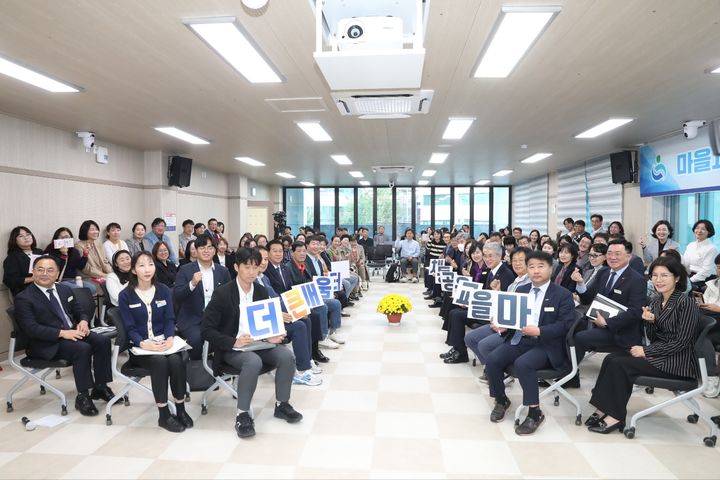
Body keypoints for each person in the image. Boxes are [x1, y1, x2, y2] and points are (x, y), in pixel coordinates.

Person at [586, 256, 699, 434]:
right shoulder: (655, 301)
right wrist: (649, 322)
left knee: (620, 364)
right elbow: (655, 336)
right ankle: (602, 408)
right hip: (660, 355)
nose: (658, 280)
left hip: (677, 361)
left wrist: (645, 350)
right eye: (654, 275)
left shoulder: (686, 303)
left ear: (677, 278)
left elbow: (681, 342)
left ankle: (615, 416)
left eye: (664, 275)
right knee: (611, 358)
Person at [202, 247, 302, 438]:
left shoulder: (262, 291)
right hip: (233, 348)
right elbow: (206, 330)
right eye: (246, 267)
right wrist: (234, 341)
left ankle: (282, 404)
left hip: (259, 344)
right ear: (236, 267)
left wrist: (271, 336)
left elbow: (264, 326)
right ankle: (242, 414)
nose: (251, 272)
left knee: (286, 356)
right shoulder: (223, 294)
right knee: (253, 361)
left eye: (255, 267)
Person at [485, 250, 576, 435]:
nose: (535, 271)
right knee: (493, 359)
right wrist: (502, 325)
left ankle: (535, 412)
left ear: (551, 268)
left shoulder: (562, 294)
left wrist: (540, 331)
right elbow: (514, 318)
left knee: (523, 364)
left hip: (547, 344)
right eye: (531, 267)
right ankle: (501, 400)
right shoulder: (521, 290)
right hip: (521, 339)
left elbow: (565, 325)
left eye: (541, 266)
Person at [14, 255, 114, 416]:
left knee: (102, 341)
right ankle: (83, 396)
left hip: (71, 332)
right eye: (40, 270)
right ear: (33, 272)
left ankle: (100, 386)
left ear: (57, 273)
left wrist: (83, 321)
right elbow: (31, 328)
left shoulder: (64, 289)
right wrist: (62, 333)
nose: (44, 273)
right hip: (45, 343)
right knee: (82, 348)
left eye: (50, 270)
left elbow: (79, 311)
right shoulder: (24, 298)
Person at [118, 251, 192, 433]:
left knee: (175, 360)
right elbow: (129, 328)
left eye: (150, 264)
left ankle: (180, 409)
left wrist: (169, 339)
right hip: (142, 349)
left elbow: (169, 319)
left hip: (164, 343)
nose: (147, 269)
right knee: (159, 362)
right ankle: (164, 414)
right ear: (134, 270)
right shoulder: (125, 295)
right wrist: (143, 343)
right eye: (141, 265)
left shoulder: (163, 290)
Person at [573, 239, 646, 387]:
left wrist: (607, 323)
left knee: (579, 337)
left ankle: (568, 374)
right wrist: (580, 283)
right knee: (569, 329)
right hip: (600, 324)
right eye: (610, 253)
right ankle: (569, 373)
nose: (613, 257)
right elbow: (589, 298)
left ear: (628, 256)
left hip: (622, 331)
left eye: (618, 254)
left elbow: (635, 312)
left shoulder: (637, 279)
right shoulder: (604, 273)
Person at [255, 246, 321, 386]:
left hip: (273, 317)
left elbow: (276, 299)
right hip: (264, 322)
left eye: (266, 259)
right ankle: (302, 370)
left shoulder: (264, 278)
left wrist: (296, 310)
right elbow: (256, 309)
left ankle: (306, 361)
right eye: (260, 259)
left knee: (306, 320)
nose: (263, 262)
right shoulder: (251, 281)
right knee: (299, 327)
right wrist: (279, 315)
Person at [266, 240, 327, 365]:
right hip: (279, 309)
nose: (278, 254)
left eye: (280, 251)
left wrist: (299, 307)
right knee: (307, 319)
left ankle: (311, 354)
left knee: (312, 316)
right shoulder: (266, 270)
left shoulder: (283, 268)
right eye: (275, 251)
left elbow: (289, 290)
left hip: (289, 304)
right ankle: (306, 359)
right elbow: (273, 295)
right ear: (268, 253)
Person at [174, 234, 231, 359]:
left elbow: (230, 297)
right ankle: (197, 371)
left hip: (217, 318)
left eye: (210, 247)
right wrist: (192, 283)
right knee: (196, 340)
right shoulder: (185, 270)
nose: (206, 251)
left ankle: (218, 368)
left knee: (229, 336)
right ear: (195, 250)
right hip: (192, 319)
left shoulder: (223, 271)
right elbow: (177, 296)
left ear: (215, 250)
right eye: (202, 248)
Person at [44, 227, 96, 294]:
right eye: (61, 237)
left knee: (92, 288)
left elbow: (80, 266)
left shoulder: (73, 251)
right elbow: (55, 269)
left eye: (66, 237)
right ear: (56, 239)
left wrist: (85, 255)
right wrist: (64, 255)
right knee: (79, 291)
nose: (64, 239)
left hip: (73, 280)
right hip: (59, 281)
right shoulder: (50, 250)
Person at [4, 226, 45, 297]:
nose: (26, 237)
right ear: (15, 240)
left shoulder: (40, 252)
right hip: (26, 292)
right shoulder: (12, 257)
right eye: (21, 236)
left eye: (28, 234)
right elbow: (10, 281)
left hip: (45, 287)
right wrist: (32, 279)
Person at [682, 219, 718, 285]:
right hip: (690, 276)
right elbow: (685, 263)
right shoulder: (690, 245)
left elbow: (706, 272)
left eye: (703, 229)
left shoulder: (712, 248)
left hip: (705, 280)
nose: (699, 231)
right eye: (697, 228)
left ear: (709, 232)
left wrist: (689, 281)